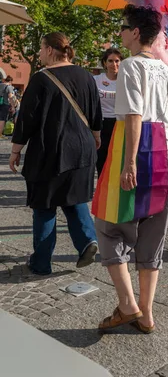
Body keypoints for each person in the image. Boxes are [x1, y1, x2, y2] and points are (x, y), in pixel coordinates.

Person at [95, 6, 168, 333]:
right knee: (153, 231)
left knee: (108, 223)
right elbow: (167, 111)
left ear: (135, 33)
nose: (120, 31)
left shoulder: (130, 66)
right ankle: (146, 313)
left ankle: (128, 303)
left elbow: (132, 115)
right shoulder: (163, 68)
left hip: (140, 149)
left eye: (123, 26)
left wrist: (129, 162)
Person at [9, 32, 102, 275]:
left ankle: (41, 263)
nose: (39, 53)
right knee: (73, 199)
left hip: (50, 149)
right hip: (82, 149)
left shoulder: (41, 79)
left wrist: (16, 149)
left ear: (50, 50)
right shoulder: (86, 75)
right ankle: (87, 241)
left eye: (40, 48)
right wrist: (96, 136)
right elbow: (95, 112)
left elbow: (26, 118)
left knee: (44, 205)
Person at [93, 48, 124, 176]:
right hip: (100, 123)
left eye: (117, 61)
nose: (114, 64)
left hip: (119, 124)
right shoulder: (96, 80)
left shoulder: (125, 80)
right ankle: (101, 190)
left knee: (117, 160)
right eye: (110, 61)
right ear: (104, 63)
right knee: (101, 160)